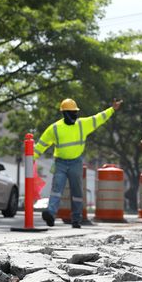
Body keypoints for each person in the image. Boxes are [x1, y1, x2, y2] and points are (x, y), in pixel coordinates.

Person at [34, 98, 123, 229]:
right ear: (65, 113)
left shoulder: (82, 124)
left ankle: (76, 219)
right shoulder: (55, 128)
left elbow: (98, 118)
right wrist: (32, 157)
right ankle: (51, 214)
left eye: (75, 112)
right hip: (60, 163)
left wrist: (112, 109)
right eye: (72, 112)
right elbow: (42, 144)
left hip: (76, 162)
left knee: (77, 192)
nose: (75, 115)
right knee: (56, 189)